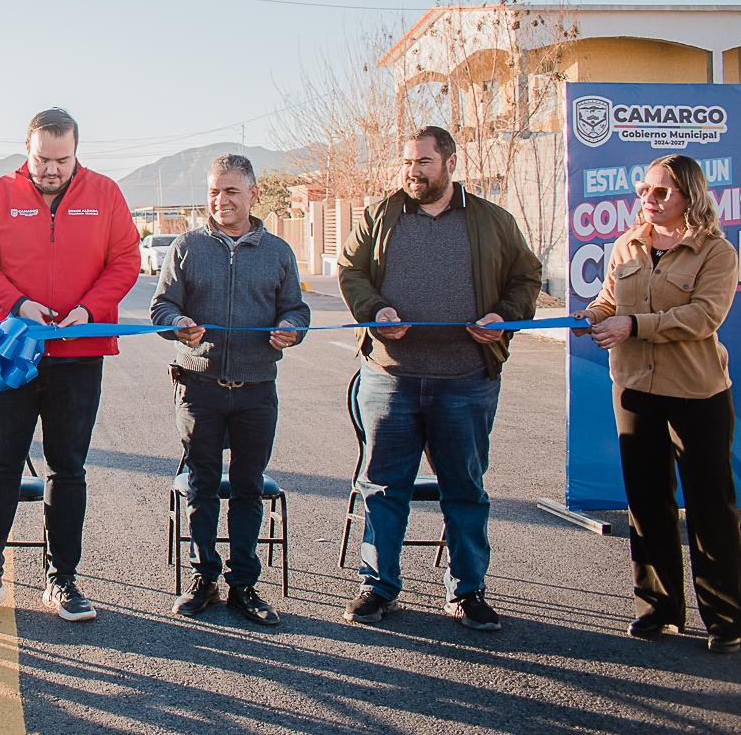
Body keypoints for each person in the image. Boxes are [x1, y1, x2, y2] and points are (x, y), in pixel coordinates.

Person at [337, 125, 540, 631]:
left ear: (450, 162)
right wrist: (375, 308)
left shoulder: (492, 220)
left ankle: (467, 591)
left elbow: (526, 277)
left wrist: (503, 316)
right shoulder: (381, 215)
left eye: (423, 162)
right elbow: (350, 271)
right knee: (383, 486)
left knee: (464, 488)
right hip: (391, 378)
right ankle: (377, 587)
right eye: (406, 162)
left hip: (466, 378)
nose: (412, 171)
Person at [0, 107, 140, 622]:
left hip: (78, 355)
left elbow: (125, 260)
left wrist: (89, 310)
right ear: (26, 151)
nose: (52, 169)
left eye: (63, 159)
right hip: (11, 352)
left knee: (68, 468)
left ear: (76, 152)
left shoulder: (105, 194)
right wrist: (16, 305)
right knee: (1, 462)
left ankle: (63, 581)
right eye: (42, 159)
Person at [577, 154, 740, 653]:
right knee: (647, 502)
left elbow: (703, 317)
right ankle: (659, 607)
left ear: (690, 195)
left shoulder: (717, 252)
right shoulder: (625, 245)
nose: (648, 199)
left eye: (662, 192)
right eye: (645, 190)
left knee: (711, 509)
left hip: (697, 394)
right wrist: (595, 313)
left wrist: (634, 326)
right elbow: (610, 299)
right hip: (634, 390)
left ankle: (727, 619)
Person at [151, 154, 309, 627]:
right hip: (199, 387)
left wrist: (289, 328)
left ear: (254, 195)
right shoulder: (186, 247)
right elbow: (161, 308)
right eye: (215, 191)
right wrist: (177, 324)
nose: (221, 200)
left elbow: (297, 310)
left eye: (232, 191)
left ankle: (244, 584)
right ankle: (204, 577)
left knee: (247, 487)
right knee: (201, 486)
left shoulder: (278, 252)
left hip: (257, 388)